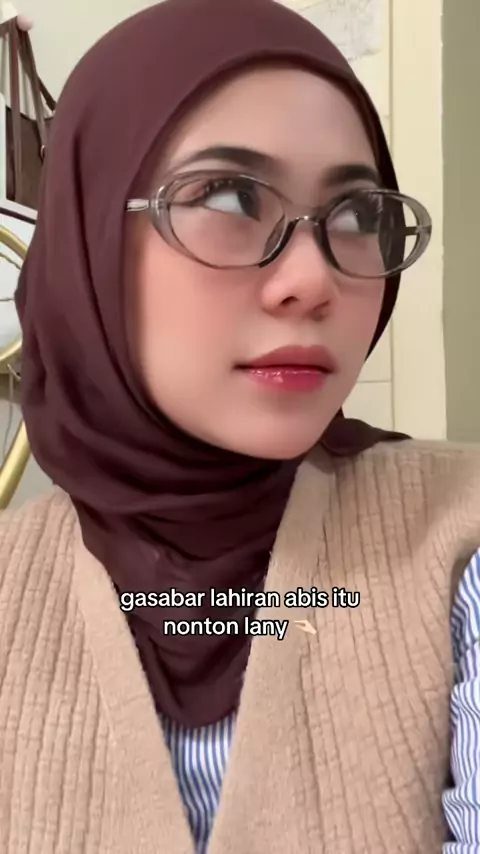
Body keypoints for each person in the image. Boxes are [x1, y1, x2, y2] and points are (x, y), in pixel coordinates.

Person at [1, 0, 480, 851]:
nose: (314, 280)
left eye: (358, 214)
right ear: (88, 238)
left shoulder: (461, 542)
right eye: (227, 195)